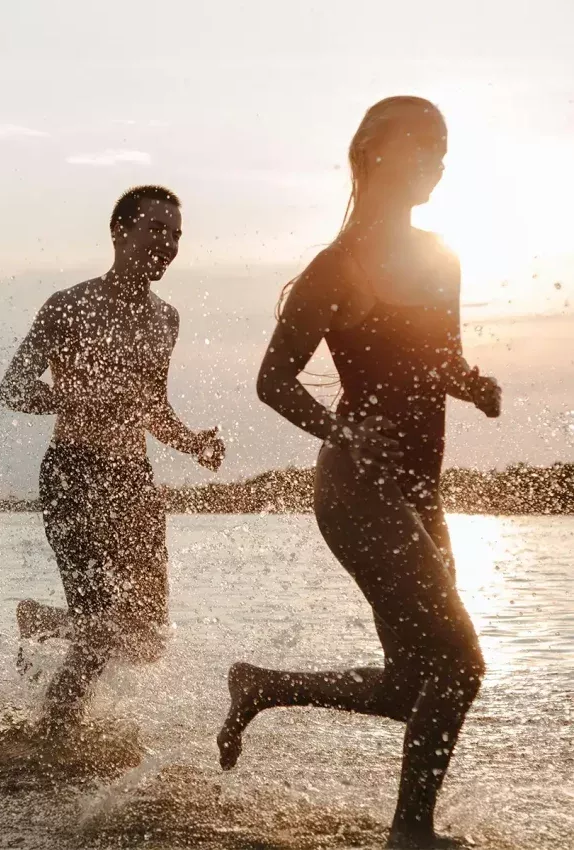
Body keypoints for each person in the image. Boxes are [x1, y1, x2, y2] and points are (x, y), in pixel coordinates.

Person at [216, 97, 501, 849]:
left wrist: (471, 383)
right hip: (355, 488)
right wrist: (343, 430)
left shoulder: (443, 255)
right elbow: (273, 381)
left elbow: (438, 356)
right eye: (427, 144)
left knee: (413, 685)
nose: (440, 159)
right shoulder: (334, 269)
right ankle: (411, 833)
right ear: (376, 150)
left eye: (446, 147)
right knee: (462, 662)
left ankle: (265, 686)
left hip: (417, 488)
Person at [0, 185, 225, 731]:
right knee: (100, 631)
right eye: (157, 230)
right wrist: (80, 396)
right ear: (119, 232)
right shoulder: (70, 305)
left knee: (147, 639)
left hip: (134, 480)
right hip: (74, 470)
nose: (168, 244)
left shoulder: (165, 319)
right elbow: (13, 388)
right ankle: (57, 735)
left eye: (176, 235)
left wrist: (193, 442)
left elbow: (154, 406)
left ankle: (45, 621)